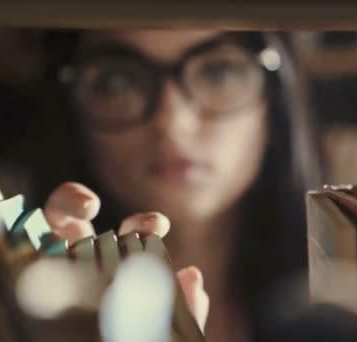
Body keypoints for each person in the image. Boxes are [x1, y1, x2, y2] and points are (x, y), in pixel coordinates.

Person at [24, 29, 322, 342]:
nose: (173, 122)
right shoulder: (20, 315)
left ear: (274, 102)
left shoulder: (349, 304)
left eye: (217, 72)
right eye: (119, 81)